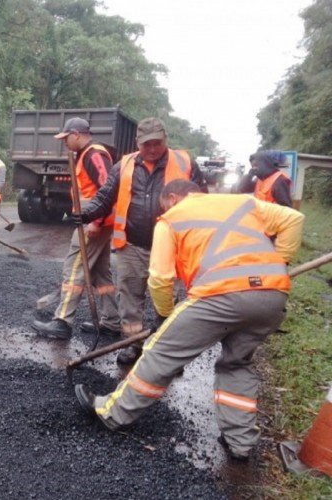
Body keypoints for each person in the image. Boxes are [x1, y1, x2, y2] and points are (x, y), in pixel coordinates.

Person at [74, 179, 304, 462]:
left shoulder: (170, 219)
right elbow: (294, 218)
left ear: (172, 198)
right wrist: (280, 262)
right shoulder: (243, 202)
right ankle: (240, 442)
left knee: (160, 352)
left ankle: (112, 413)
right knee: (237, 364)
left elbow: (159, 278)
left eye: (163, 205)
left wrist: (165, 316)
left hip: (220, 295)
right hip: (272, 295)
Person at [73, 117, 207, 364]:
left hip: (172, 249)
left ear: (165, 139)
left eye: (157, 143)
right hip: (132, 246)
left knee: (169, 302)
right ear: (138, 143)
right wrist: (87, 214)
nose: (153, 149)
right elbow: (105, 197)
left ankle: (165, 354)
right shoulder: (124, 166)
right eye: (147, 144)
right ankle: (132, 345)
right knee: (129, 299)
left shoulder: (185, 163)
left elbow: (203, 201)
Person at [32, 117, 121, 339]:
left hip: (93, 223)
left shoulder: (94, 155)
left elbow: (108, 190)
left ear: (77, 134)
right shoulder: (85, 154)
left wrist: (95, 221)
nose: (65, 142)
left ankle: (62, 321)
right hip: (95, 221)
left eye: (66, 138)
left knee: (74, 269)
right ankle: (112, 321)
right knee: (101, 275)